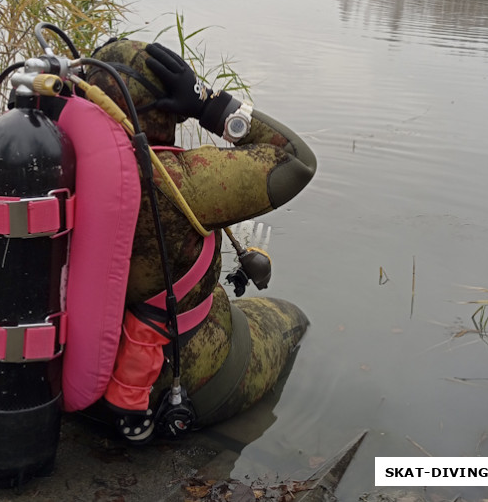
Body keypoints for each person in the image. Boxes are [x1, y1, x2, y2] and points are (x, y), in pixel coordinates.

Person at [83, 37, 317, 438]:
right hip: (182, 386)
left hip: (83, 383)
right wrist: (207, 103)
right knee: (294, 317)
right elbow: (297, 159)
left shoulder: (50, 162)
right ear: (164, 111)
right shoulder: (183, 181)